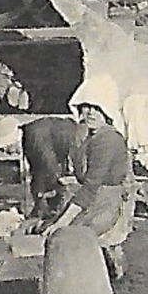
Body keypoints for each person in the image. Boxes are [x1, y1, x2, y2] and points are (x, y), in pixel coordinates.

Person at [33, 80, 132, 278]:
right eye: (85, 107)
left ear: (108, 111)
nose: (90, 113)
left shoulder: (109, 139)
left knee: (71, 236)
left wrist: (62, 222)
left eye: (97, 108)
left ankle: (106, 269)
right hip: (93, 196)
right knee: (59, 228)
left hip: (106, 201)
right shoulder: (85, 134)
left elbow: (91, 186)